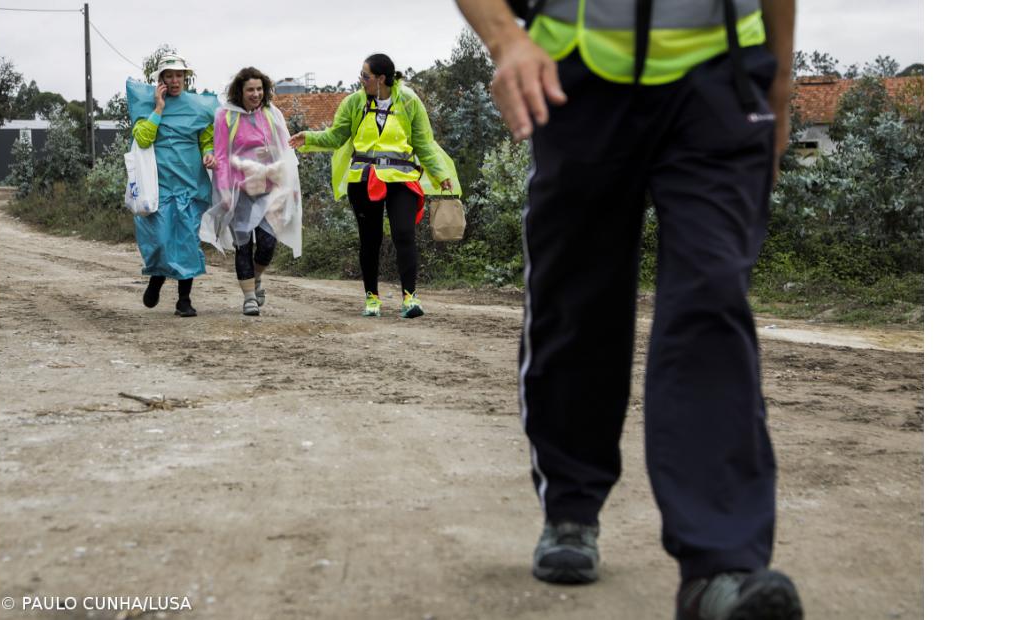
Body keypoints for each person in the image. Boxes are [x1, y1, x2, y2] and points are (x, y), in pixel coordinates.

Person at [455, 0, 803, 618]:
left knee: (712, 295)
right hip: (575, 77)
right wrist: (505, 36)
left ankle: (721, 563)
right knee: (577, 303)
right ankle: (570, 507)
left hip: (720, 78)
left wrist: (779, 76)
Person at [288, 53, 460, 319]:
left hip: (401, 179)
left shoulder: (409, 101)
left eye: (365, 76)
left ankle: (410, 298)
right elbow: (337, 136)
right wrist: (308, 137)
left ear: (381, 79)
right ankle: (372, 298)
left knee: (404, 233)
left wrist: (440, 173)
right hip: (364, 179)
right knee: (371, 239)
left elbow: (423, 143)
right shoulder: (354, 102)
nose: (361, 80)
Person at [202, 66, 302, 316]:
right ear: (240, 91)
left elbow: (285, 152)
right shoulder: (225, 116)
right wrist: (224, 190)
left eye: (259, 89)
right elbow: (222, 155)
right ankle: (248, 297)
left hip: (269, 188)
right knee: (243, 244)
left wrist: (290, 186)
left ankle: (256, 278)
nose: (256, 94)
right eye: (250, 90)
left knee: (268, 243)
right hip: (240, 189)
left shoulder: (272, 114)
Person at [127, 53, 218, 317]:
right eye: (170, 76)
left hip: (190, 186)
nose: (175, 80)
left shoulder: (199, 107)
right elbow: (143, 140)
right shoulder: (146, 106)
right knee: (159, 240)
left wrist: (208, 152)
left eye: (180, 75)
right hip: (158, 188)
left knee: (187, 241)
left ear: (186, 78)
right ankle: (156, 280)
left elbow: (207, 138)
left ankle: (184, 300)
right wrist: (158, 109)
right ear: (161, 80)